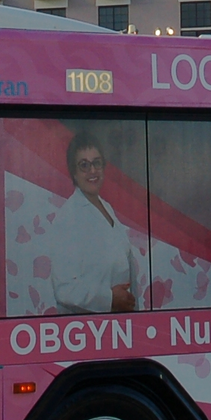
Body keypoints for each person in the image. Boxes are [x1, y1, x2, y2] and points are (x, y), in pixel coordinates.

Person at [50, 130, 143, 314]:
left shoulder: (106, 207)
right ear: (74, 172)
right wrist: (110, 299)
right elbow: (65, 289)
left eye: (97, 163)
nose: (92, 171)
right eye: (84, 165)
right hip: (88, 326)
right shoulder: (67, 218)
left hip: (119, 322)